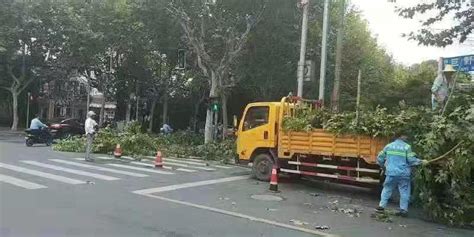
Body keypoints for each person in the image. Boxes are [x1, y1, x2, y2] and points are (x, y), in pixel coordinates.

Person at [375, 133, 428, 217]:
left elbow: (380, 158)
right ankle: (403, 210)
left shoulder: (388, 146)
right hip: (403, 174)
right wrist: (422, 161)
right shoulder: (407, 147)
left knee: (387, 188)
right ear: (401, 136)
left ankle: (381, 206)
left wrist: (383, 167)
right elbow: (411, 160)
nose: (407, 137)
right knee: (404, 191)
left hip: (391, 172)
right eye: (405, 135)